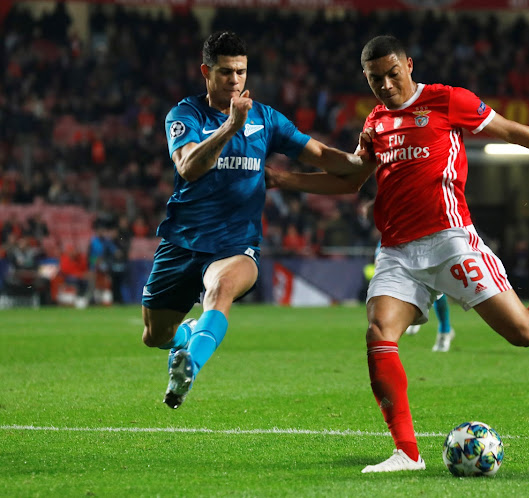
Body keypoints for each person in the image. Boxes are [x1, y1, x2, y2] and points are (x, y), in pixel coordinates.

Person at [265, 35, 529, 473]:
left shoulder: (446, 101)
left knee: (525, 332)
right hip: (396, 251)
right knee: (378, 333)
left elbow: (511, 130)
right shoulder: (375, 121)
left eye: (392, 74)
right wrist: (285, 180)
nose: (386, 85)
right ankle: (406, 453)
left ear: (409, 65)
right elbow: (351, 179)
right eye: (375, 79)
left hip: (451, 241)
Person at [141, 31, 370, 410]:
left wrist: (365, 160)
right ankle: (184, 338)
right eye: (226, 72)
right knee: (154, 335)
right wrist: (230, 126)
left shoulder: (266, 119)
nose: (235, 80)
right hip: (181, 242)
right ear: (206, 72)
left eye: (241, 72)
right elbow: (188, 166)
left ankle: (189, 366)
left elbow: (321, 154)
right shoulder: (185, 115)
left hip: (236, 244)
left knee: (221, 290)